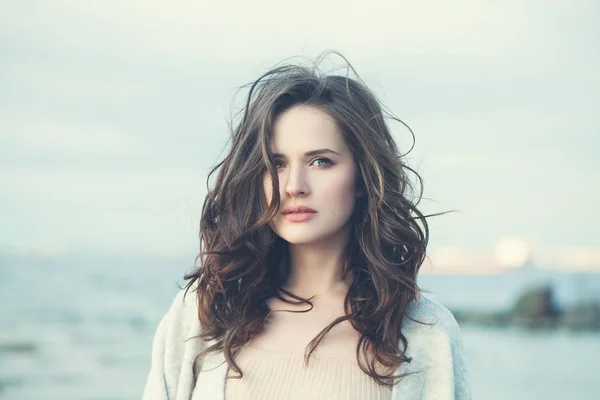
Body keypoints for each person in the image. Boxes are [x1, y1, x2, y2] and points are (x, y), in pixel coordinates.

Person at [142, 51, 471, 400]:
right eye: (276, 163)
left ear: (363, 177)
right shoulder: (204, 313)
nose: (294, 185)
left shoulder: (425, 334)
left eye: (320, 161)